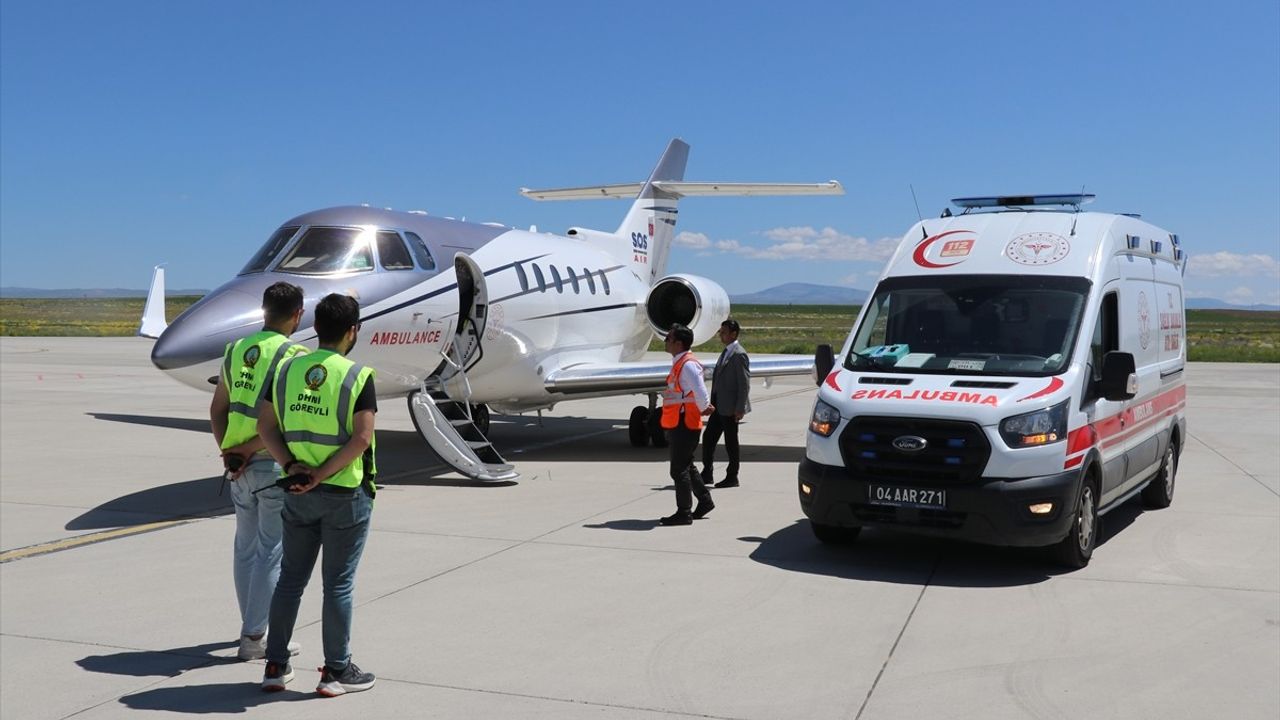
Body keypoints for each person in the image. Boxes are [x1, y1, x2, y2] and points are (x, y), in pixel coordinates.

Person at [257, 293, 378, 697]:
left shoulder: (287, 370)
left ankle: (275, 665)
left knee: (290, 580)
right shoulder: (358, 376)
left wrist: (293, 468)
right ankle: (335, 671)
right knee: (338, 585)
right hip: (344, 493)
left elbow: (266, 428)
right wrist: (322, 474)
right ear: (352, 331)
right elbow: (361, 439)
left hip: (296, 491)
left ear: (313, 326)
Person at [209, 281, 307, 661]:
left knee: (245, 548)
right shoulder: (295, 355)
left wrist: (230, 452)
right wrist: (252, 450)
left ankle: (252, 628)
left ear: (263, 311)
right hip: (271, 463)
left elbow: (218, 409)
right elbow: (285, 421)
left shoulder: (237, 350)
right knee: (272, 550)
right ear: (297, 314)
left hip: (238, 470)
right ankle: (254, 637)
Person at [658, 324, 715, 526]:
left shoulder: (688, 365)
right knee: (687, 465)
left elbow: (700, 391)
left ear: (679, 343)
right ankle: (705, 501)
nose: (666, 341)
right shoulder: (679, 363)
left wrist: (704, 407)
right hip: (678, 422)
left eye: (669, 338)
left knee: (678, 470)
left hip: (685, 424)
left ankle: (684, 512)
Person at [700, 318, 750, 489]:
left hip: (730, 409)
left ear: (733, 334)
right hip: (718, 406)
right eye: (720, 332)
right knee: (708, 439)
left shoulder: (738, 354)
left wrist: (740, 408)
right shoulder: (726, 352)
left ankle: (732, 476)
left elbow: (744, 383)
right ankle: (707, 472)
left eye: (723, 332)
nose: (720, 335)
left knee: (731, 444)